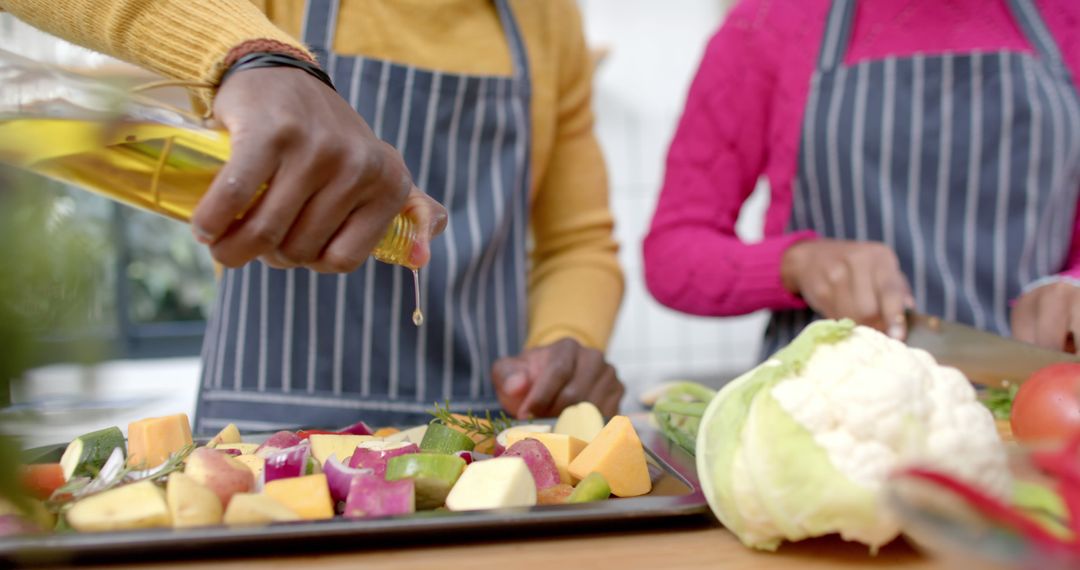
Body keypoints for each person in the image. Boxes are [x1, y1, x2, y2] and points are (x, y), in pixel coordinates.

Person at [1, 0, 625, 432]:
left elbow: (578, 243)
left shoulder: (547, 20)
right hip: (262, 450)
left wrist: (563, 348)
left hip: (483, 449)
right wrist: (253, 55)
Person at [644, 0, 1080, 359]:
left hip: (1033, 407)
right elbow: (671, 253)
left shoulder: (1067, 18)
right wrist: (797, 264)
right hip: (828, 408)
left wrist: (1072, 288)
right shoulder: (770, 21)